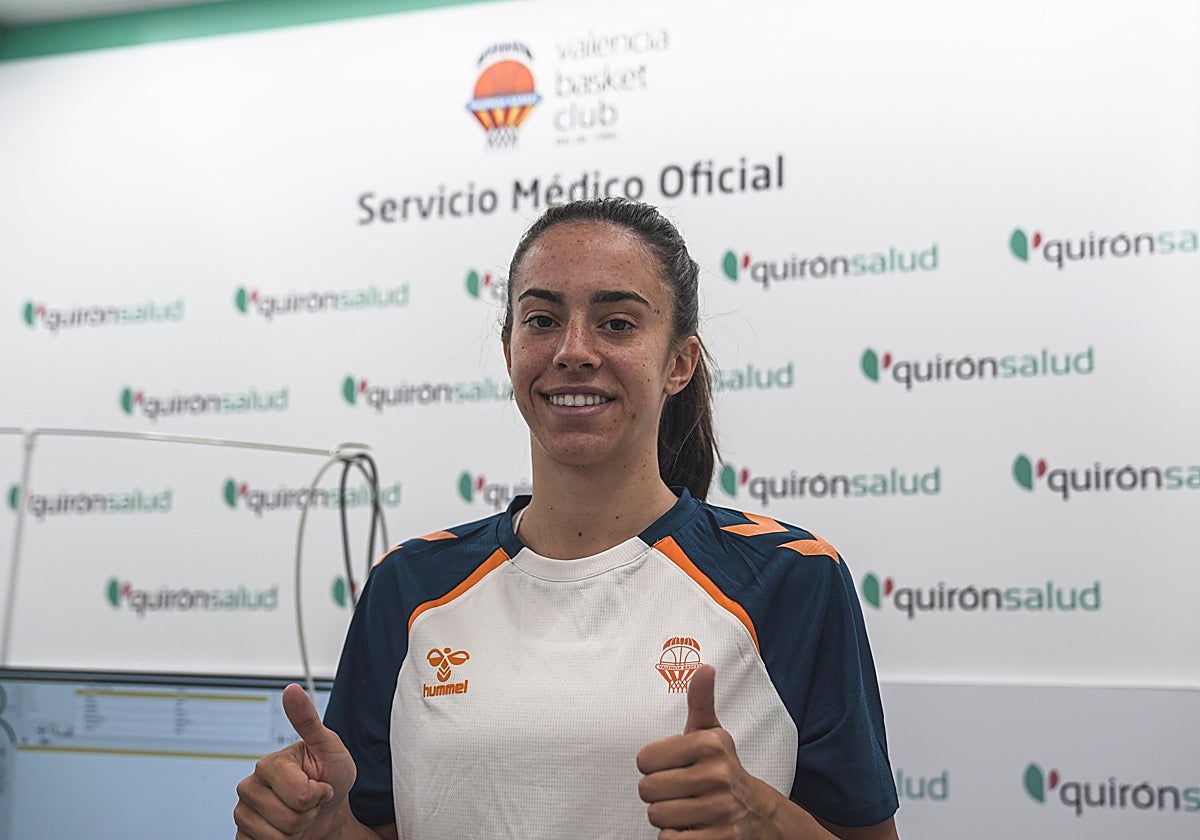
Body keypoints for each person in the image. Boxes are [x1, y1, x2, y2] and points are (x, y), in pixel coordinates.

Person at [234, 198, 900, 839]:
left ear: (678, 363)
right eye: (543, 320)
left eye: (617, 323)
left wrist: (768, 824)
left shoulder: (792, 581)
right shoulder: (408, 587)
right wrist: (323, 830)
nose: (573, 350)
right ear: (509, 351)